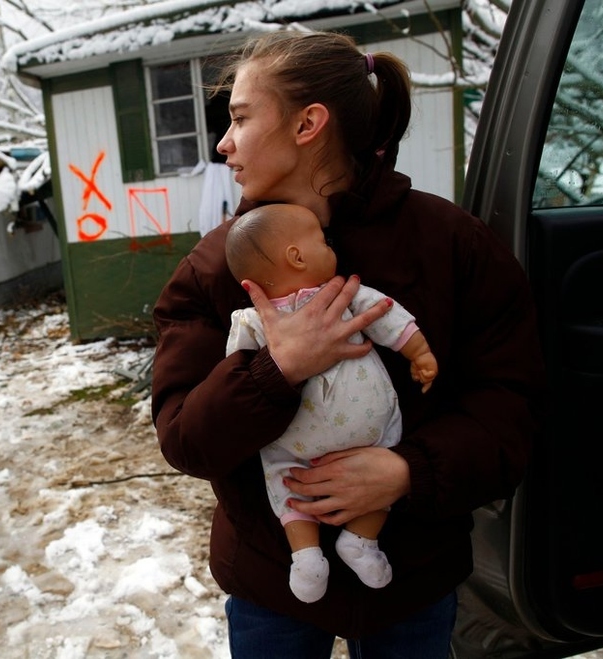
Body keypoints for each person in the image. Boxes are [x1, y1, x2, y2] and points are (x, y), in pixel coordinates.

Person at [151, 30, 544, 658]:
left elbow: (511, 410)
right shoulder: (214, 268)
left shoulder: (454, 246)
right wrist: (274, 370)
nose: (223, 143)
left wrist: (407, 471)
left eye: (240, 118)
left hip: (411, 577)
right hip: (273, 579)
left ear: (308, 123)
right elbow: (183, 438)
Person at [224, 203, 438, 604]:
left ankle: (342, 546)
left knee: (297, 479)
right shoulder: (262, 317)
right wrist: (420, 352)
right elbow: (236, 384)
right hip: (345, 439)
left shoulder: (333, 299)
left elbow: (384, 316)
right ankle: (316, 552)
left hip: (342, 449)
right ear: (297, 256)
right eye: (323, 241)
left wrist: (417, 350)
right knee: (286, 478)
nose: (331, 247)